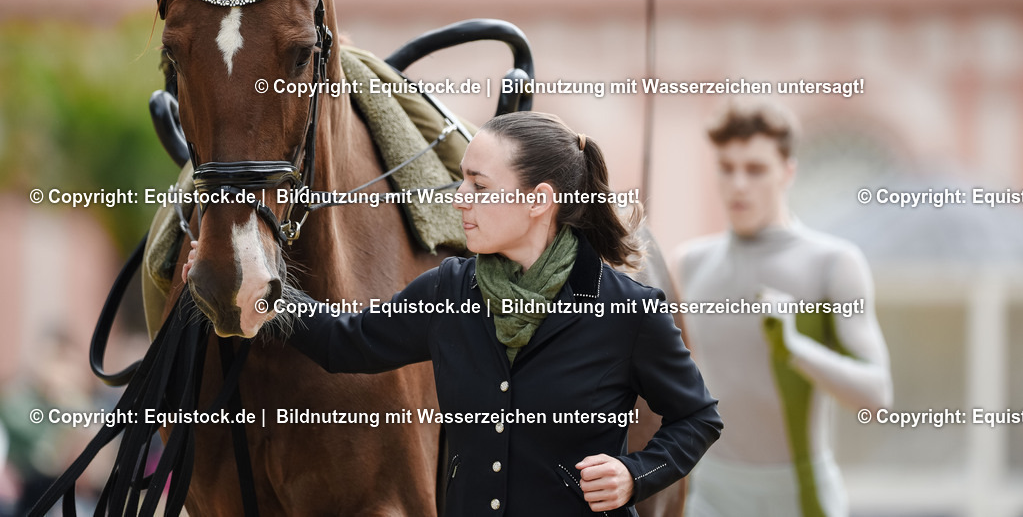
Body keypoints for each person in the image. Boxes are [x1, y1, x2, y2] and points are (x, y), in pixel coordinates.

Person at [184, 111, 722, 516]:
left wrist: (635, 474)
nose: (458, 198)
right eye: (461, 179)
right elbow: (347, 341)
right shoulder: (450, 291)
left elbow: (697, 418)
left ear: (539, 201)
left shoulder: (630, 312)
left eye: (479, 186)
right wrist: (263, 291)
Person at [675, 101, 892, 517]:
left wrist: (793, 348)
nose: (738, 184)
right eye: (726, 167)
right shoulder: (689, 264)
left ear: (788, 171)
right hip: (711, 494)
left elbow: (877, 394)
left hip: (799, 497)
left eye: (755, 169)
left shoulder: (833, 263)